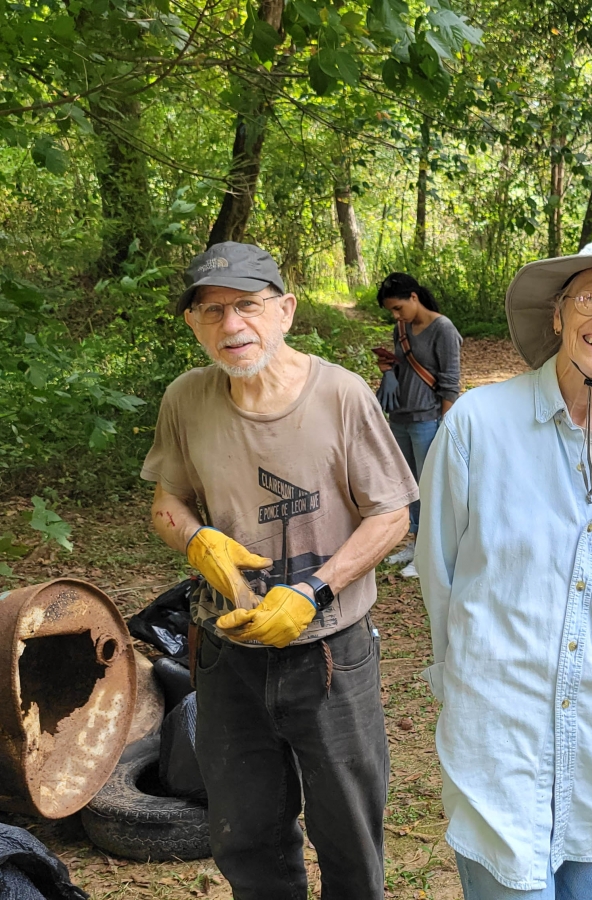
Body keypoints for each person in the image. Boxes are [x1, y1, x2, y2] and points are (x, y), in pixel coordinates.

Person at [415, 239, 592, 898]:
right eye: (590, 300)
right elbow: (439, 571)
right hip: (498, 732)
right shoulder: (479, 426)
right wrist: (458, 684)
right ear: (558, 315)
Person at [142, 242, 417, 899]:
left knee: (349, 834)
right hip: (224, 657)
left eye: (247, 305)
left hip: (327, 657)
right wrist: (197, 538)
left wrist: (314, 591)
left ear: (286, 310)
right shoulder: (186, 400)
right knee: (247, 835)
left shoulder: (342, 397)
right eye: (211, 311)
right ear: (192, 324)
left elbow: (392, 515)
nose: (231, 325)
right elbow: (166, 502)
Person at [375, 272, 463, 578]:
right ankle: (415, 542)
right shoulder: (402, 328)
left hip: (428, 419)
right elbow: (404, 365)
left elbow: (450, 383)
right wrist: (387, 369)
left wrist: (445, 424)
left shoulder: (444, 329)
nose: (395, 315)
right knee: (409, 485)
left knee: (429, 487)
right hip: (400, 415)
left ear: (414, 297)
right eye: (391, 311)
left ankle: (429, 552)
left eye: (398, 308)